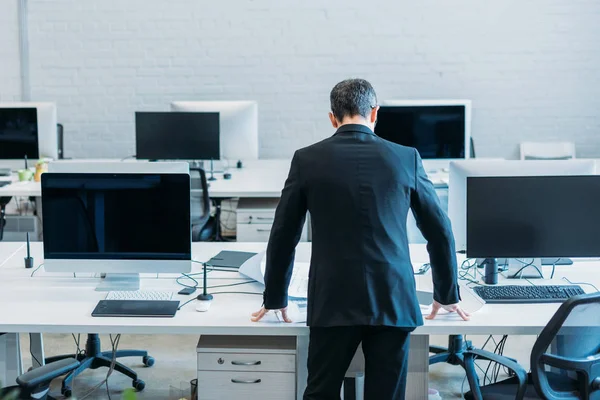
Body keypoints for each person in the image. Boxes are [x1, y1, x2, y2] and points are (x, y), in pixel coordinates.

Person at [251, 78, 469, 400]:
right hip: (392, 298)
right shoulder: (406, 157)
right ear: (375, 113)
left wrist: (275, 297)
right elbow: (439, 231)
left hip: (332, 299)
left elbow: (284, 235)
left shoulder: (307, 159)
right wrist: (447, 293)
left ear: (332, 117)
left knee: (321, 392)